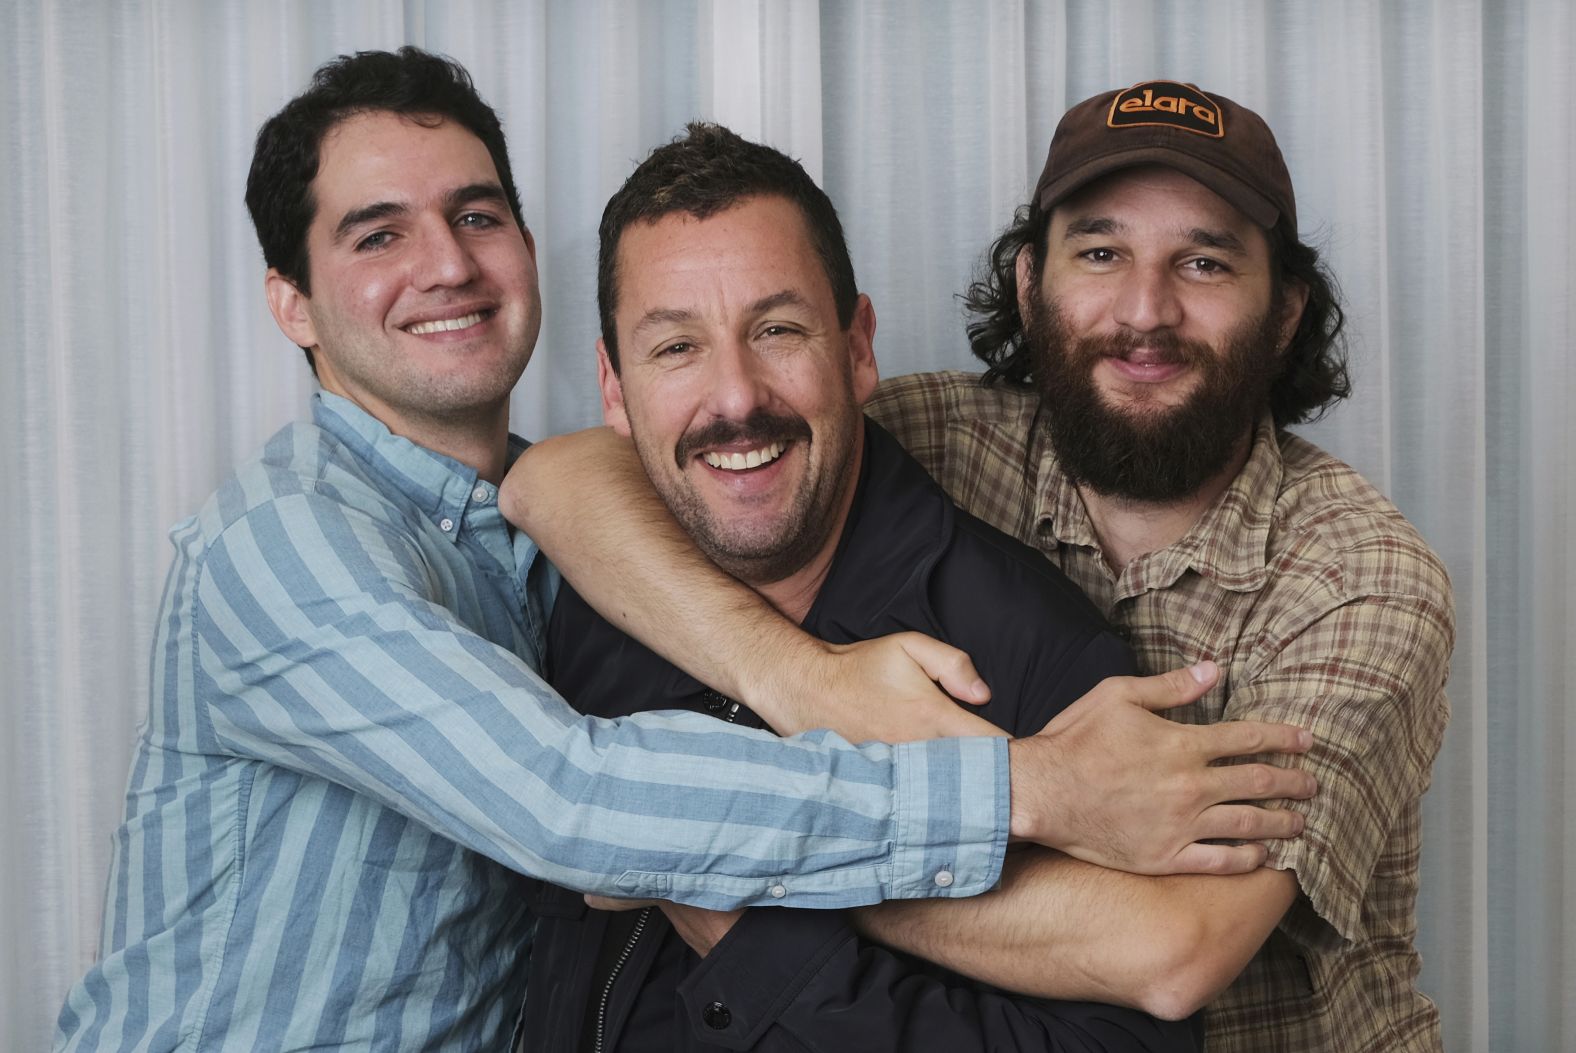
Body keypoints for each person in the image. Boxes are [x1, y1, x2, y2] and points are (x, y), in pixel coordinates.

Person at [51, 54, 1315, 1053]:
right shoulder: (282, 553)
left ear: (858, 350)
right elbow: (573, 803)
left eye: (475, 214)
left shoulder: (561, 550)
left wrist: (720, 902)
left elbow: (552, 487)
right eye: (376, 233)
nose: (445, 263)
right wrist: (1022, 784)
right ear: (289, 302)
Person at [518, 122, 1198, 1052]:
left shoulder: (1034, 658)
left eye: (777, 330)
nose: (734, 399)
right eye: (675, 348)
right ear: (612, 387)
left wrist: (751, 932)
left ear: (859, 347)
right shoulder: (582, 597)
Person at [848, 81, 1452, 1051]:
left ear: (1286, 309)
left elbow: (1174, 956)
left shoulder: (1360, 575)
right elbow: (593, 479)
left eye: (1203, 262)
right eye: (1100, 252)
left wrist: (771, 871)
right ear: (1027, 281)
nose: (1144, 309)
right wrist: (796, 674)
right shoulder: (925, 442)